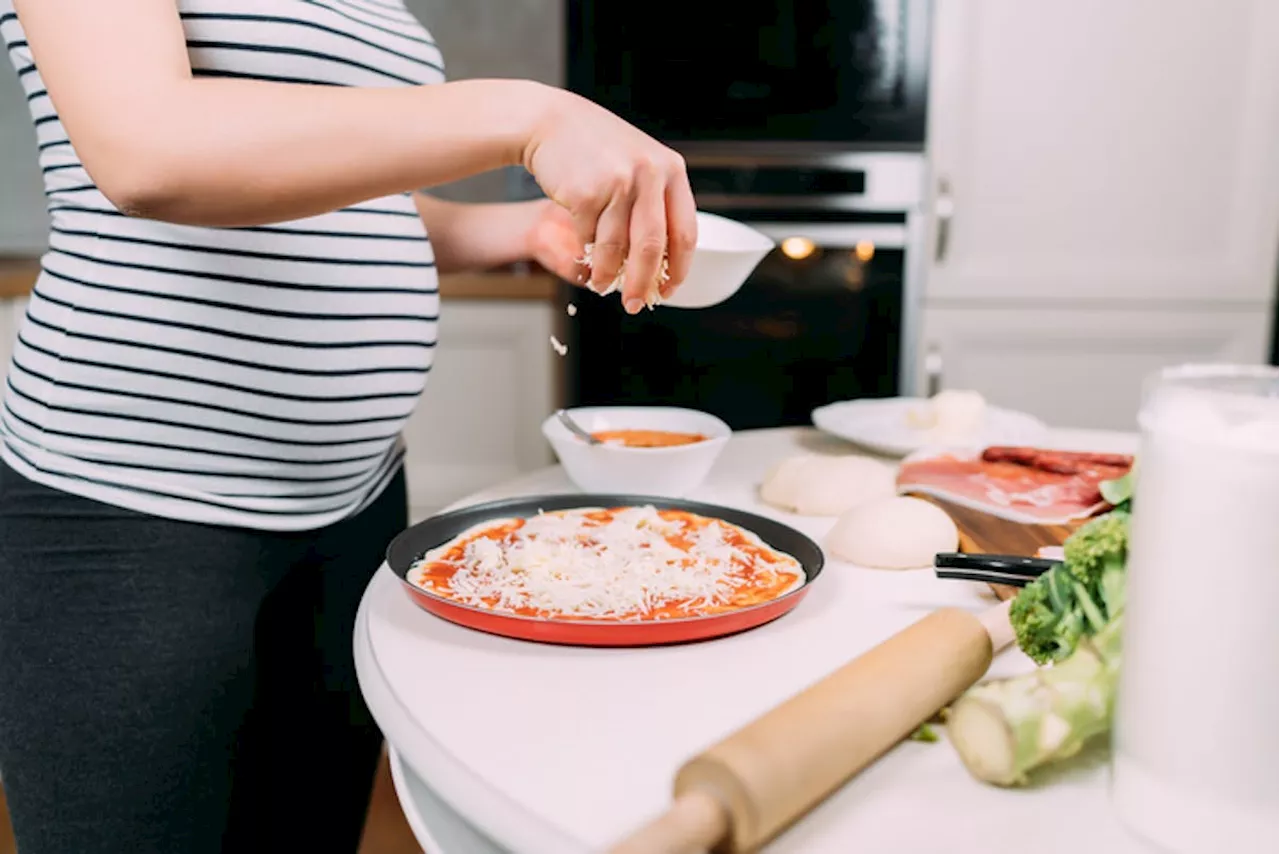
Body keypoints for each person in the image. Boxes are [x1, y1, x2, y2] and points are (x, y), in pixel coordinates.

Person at [0, 1, 697, 852]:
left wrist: (520, 229)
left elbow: (351, 204)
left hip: (354, 504)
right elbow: (149, 148)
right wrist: (530, 113)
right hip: (129, 513)